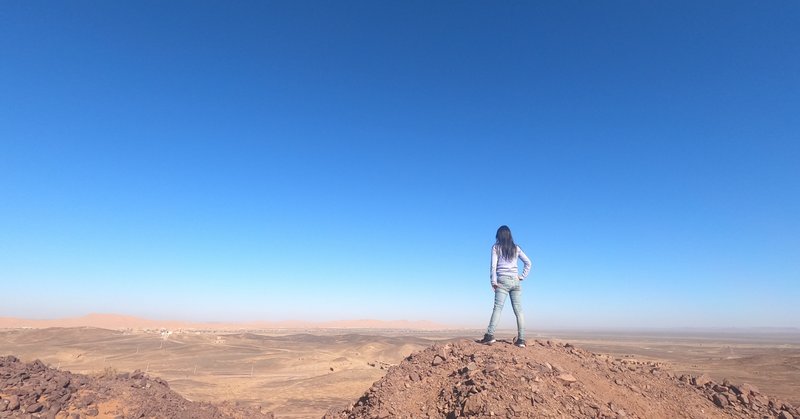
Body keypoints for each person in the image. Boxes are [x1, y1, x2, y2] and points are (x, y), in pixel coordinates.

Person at [480, 225, 531, 348]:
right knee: (519, 311)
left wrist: (493, 282)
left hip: (502, 281)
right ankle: (521, 340)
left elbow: (493, 266)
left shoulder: (496, 247)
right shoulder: (516, 248)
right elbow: (528, 262)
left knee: (497, 308)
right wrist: (521, 276)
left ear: (499, 236)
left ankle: (490, 336)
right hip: (515, 281)